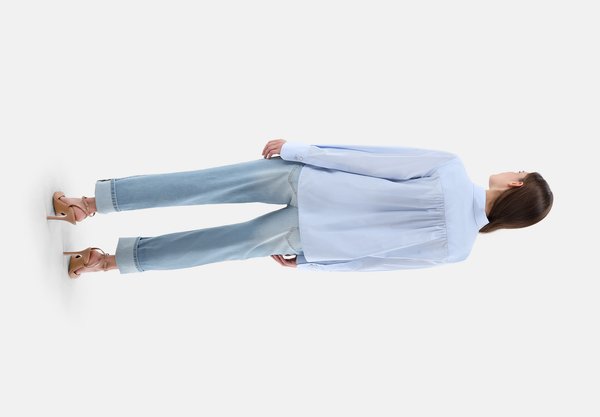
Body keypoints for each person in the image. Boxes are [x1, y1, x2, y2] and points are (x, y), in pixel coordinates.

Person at [47, 139, 553, 278]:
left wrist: (302, 149)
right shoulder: (459, 249)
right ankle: (106, 263)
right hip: (312, 238)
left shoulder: (451, 169)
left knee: (198, 186)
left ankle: (88, 205)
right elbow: (379, 264)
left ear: (516, 183)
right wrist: (314, 263)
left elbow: (370, 160)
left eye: (519, 171)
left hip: (310, 181)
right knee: (213, 248)